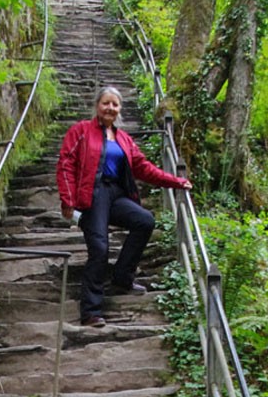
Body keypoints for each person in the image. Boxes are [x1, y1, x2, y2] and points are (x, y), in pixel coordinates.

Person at [56, 85, 192, 326]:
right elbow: (66, 163)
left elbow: (143, 168)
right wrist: (67, 199)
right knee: (99, 248)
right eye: (106, 103)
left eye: (115, 104)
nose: (110, 108)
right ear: (97, 106)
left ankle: (122, 277)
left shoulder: (124, 139)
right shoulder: (81, 131)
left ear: (119, 109)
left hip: (116, 194)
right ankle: (91, 311)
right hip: (92, 193)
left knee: (144, 221)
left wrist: (176, 181)